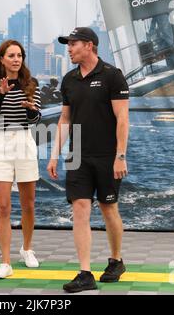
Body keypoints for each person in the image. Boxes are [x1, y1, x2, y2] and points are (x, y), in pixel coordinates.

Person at [47, 27, 129, 293]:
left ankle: (116, 261)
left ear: (90, 46)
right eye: (68, 44)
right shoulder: (69, 79)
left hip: (107, 156)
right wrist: (54, 153)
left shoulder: (112, 76)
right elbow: (65, 119)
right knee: (80, 208)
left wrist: (120, 156)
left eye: (73, 44)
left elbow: (123, 119)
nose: (69, 49)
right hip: (77, 155)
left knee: (108, 209)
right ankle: (85, 273)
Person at [0, 40, 42, 278]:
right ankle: (5, 262)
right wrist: (0, 94)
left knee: (28, 204)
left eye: (19, 55)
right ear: (1, 59)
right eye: (11, 55)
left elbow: (36, 119)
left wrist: (30, 109)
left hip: (25, 141)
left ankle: (27, 249)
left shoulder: (31, 83)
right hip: (2, 142)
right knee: (4, 206)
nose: (16, 59)